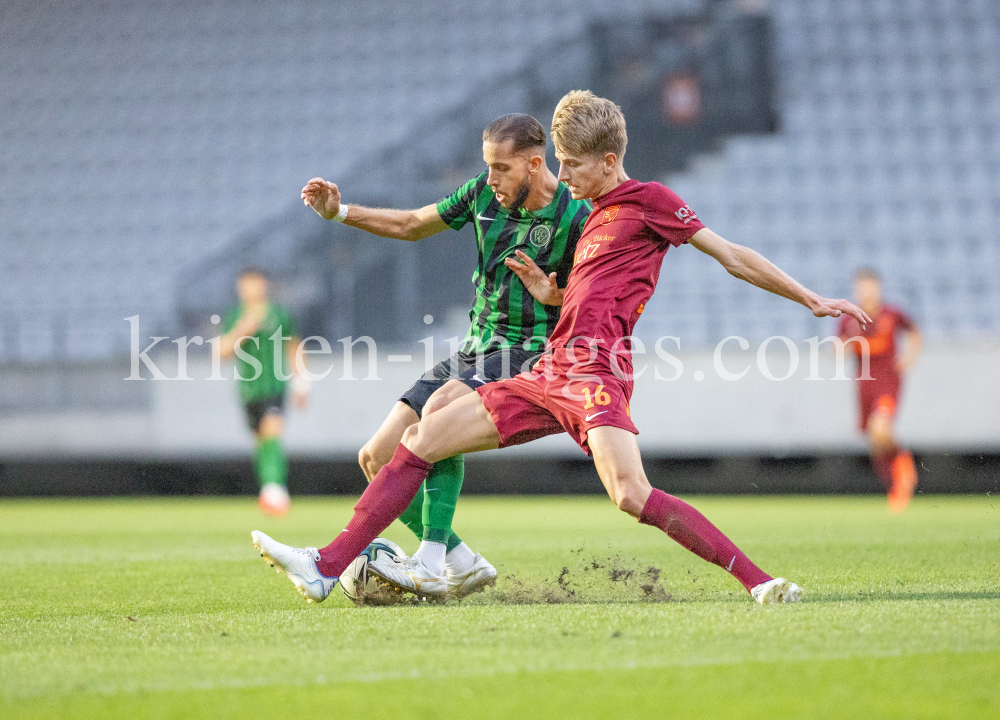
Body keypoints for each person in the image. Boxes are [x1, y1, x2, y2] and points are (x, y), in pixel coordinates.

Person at [252, 90, 870, 605]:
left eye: (573, 164)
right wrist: (552, 294)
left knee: (630, 494)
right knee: (419, 435)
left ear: (607, 160)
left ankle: (758, 582)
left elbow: (732, 255)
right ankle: (329, 565)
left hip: (596, 372)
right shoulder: (588, 212)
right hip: (547, 368)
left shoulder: (649, 203)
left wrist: (811, 299)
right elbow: (579, 292)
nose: (565, 176)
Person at [299, 114, 592, 598]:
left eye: (501, 168)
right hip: (476, 347)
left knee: (438, 413)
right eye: (487, 166)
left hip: (528, 351)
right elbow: (413, 224)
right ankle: (460, 560)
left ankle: (430, 561)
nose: (490, 178)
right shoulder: (481, 193)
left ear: (535, 163)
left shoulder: (576, 217)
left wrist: (554, 297)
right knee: (375, 456)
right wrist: (340, 212)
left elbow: (595, 298)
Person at [220, 268, 308, 516]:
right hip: (248, 390)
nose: (253, 289)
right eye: (247, 284)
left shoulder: (279, 314)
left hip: (275, 386)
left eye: (257, 284)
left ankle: (275, 490)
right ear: (240, 288)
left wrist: (302, 382)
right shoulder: (235, 316)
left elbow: (294, 347)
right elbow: (221, 352)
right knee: (261, 442)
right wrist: (242, 331)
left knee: (273, 430)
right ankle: (268, 490)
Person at [837, 268, 921, 512]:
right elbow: (838, 346)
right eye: (861, 287)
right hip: (864, 383)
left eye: (870, 286)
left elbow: (915, 332)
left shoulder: (892, 313)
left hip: (888, 381)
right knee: (875, 440)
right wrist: (842, 348)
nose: (866, 291)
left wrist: (910, 357)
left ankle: (903, 464)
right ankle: (895, 484)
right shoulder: (848, 318)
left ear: (879, 288)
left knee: (880, 427)